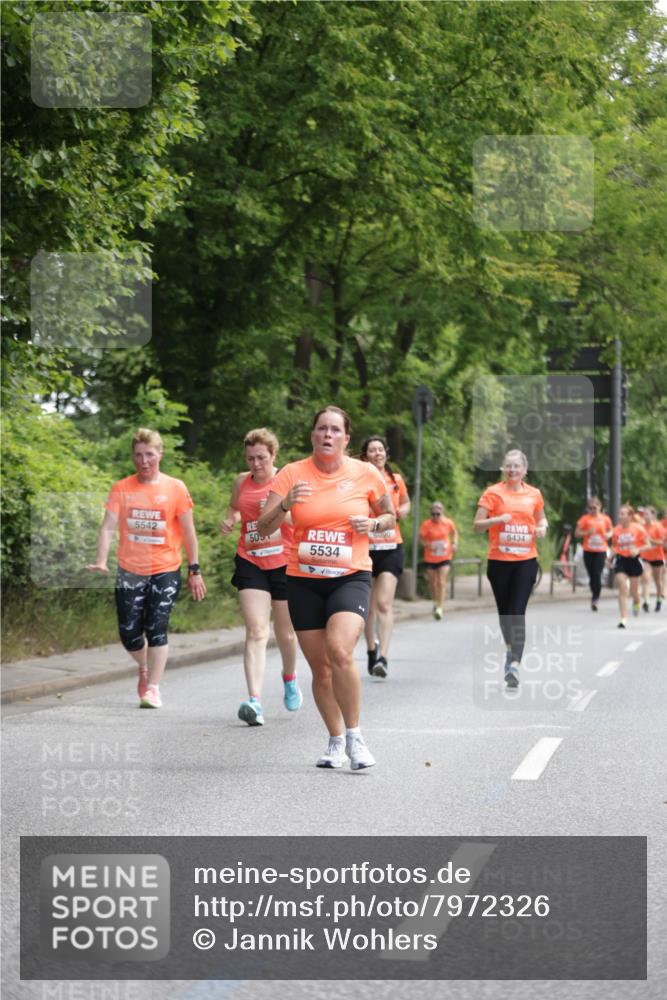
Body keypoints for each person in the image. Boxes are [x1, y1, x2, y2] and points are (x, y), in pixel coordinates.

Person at [257, 406, 394, 770]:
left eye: (335, 430)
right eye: (322, 429)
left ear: (347, 439)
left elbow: (389, 515)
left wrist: (373, 525)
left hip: (351, 575)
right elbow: (263, 527)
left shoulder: (366, 473)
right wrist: (285, 504)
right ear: (313, 435)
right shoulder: (291, 474)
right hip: (303, 579)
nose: (328, 435)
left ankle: (355, 736)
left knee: (340, 650)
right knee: (321, 669)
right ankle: (334, 740)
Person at [86, 428, 206, 708]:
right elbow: (107, 527)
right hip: (130, 569)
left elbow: (189, 533)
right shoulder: (122, 488)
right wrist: (102, 559)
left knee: (156, 627)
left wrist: (194, 569)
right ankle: (144, 666)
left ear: (160, 454)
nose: (144, 461)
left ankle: (153, 688)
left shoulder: (175, 488)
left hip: (165, 568)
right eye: (138, 455)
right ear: (133, 457)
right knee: (129, 632)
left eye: (149, 454)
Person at [221, 428, 301, 726]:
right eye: (250, 458)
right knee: (256, 631)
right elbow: (234, 506)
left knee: (286, 634)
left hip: (284, 561)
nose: (255, 464)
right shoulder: (241, 481)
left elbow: (301, 519)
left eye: (261, 458)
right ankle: (254, 701)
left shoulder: (286, 481)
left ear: (273, 456)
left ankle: (290, 678)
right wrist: (231, 519)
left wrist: (278, 510)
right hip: (250, 560)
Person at [473, 449, 548, 688]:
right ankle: (509, 650)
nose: (513, 470)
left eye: (517, 466)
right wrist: (496, 520)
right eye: (509, 466)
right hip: (499, 562)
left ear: (525, 469)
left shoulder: (534, 494)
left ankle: (515, 663)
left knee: (517, 611)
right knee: (505, 613)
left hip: (526, 561)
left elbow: (542, 518)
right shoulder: (493, 493)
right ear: (503, 469)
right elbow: (476, 525)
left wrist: (542, 528)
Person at [359, 436, 411, 678]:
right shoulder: (360, 479)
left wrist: (402, 510)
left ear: (386, 454)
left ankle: (384, 657)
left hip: (391, 547)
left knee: (383, 604)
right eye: (372, 450)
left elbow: (407, 503)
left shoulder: (396, 480)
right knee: (367, 608)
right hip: (365, 549)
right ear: (365, 455)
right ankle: (371, 650)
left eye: (380, 449)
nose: (377, 453)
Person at [608, 504, 650, 627]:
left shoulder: (638, 529)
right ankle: (623, 618)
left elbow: (648, 544)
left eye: (623, 514)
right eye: (619, 513)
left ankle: (636, 601)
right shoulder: (616, 530)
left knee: (633, 591)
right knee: (622, 586)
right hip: (621, 560)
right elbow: (614, 547)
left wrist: (638, 550)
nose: (620, 516)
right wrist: (609, 558)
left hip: (634, 560)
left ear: (630, 516)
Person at [419, 502, 458, 620]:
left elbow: (454, 532)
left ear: (442, 513)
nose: (435, 516)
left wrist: (455, 543)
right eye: (433, 514)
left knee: (441, 581)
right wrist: (427, 545)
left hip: (445, 556)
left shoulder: (448, 523)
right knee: (432, 582)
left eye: (438, 514)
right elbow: (421, 538)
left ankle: (440, 608)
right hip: (430, 557)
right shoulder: (426, 524)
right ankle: (435, 602)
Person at [574, 496, 613, 611]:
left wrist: (608, 535)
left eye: (595, 507)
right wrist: (587, 532)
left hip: (601, 551)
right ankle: (594, 592)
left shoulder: (605, 519)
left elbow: (611, 530)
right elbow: (576, 533)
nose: (593, 510)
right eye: (590, 508)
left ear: (599, 507)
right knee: (591, 575)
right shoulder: (584, 519)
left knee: (597, 573)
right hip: (588, 550)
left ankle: (595, 598)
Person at [638, 506, 664, 613]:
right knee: (645, 578)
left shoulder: (658, 527)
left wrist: (651, 540)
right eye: (644, 514)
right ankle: (646, 602)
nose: (646, 516)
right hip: (645, 557)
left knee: (657, 581)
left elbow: (662, 542)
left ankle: (658, 600)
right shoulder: (641, 527)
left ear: (653, 515)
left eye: (648, 514)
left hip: (657, 557)